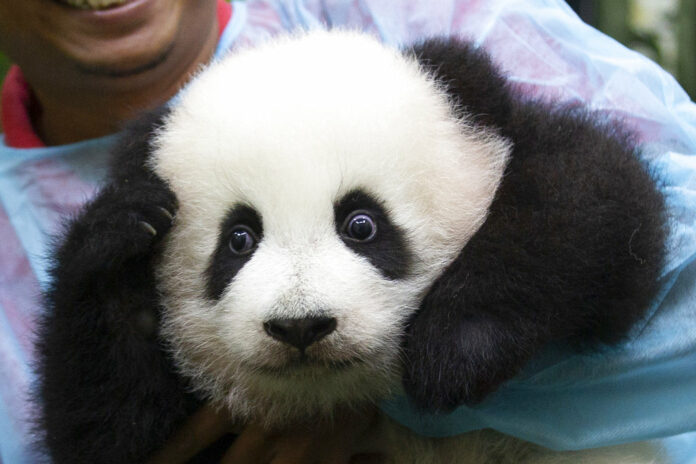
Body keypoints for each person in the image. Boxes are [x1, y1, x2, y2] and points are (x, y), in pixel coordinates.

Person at [0, 0, 695, 463]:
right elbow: (105, 438)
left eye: (361, 227)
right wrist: (101, 299)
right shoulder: (163, 184)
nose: (297, 303)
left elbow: (602, 200)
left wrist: (455, 351)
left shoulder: (426, 59)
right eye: (238, 243)